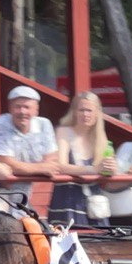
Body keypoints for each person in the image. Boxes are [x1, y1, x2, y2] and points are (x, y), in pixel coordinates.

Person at [0, 85, 59, 205]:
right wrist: (42, 168)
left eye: (27, 107)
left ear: (36, 110)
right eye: (18, 107)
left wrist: (20, 168)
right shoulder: (0, 123)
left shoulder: (44, 124)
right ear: (10, 108)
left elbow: (52, 161)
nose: (22, 112)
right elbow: (5, 163)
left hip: (38, 195)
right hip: (3, 193)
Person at [53, 91, 116, 226]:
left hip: (95, 205)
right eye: (81, 110)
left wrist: (111, 169)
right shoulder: (63, 131)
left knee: (101, 243)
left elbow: (107, 173)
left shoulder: (101, 138)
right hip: (68, 200)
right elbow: (61, 166)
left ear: (97, 113)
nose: (85, 114)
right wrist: (92, 169)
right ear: (74, 112)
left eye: (89, 110)